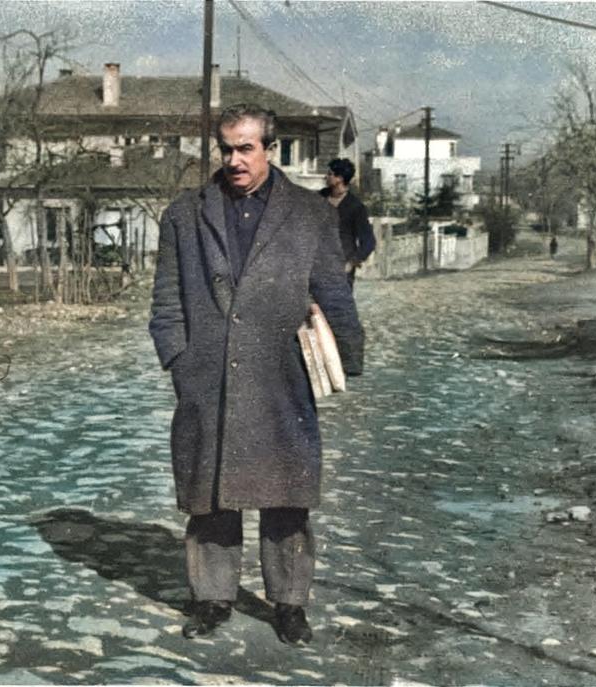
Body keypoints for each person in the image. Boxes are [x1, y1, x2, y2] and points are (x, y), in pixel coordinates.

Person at [149, 104, 364, 645]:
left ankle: (289, 603)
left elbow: (333, 290)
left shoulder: (309, 214)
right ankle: (211, 598)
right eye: (226, 149)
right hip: (208, 375)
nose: (234, 160)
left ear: (269, 147)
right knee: (210, 491)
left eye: (246, 148)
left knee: (287, 493)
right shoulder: (184, 214)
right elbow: (167, 301)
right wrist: (181, 361)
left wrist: (347, 358)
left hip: (281, 374)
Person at [320, 158, 376, 288]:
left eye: (329, 174)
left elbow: (369, 241)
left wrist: (352, 263)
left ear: (339, 178)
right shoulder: (319, 198)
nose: (325, 177)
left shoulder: (355, 207)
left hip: (341, 270)